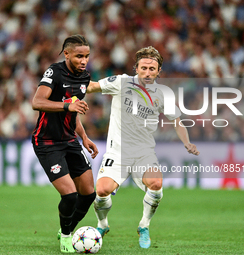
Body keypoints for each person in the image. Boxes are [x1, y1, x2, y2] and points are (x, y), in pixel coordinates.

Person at [86, 46, 200, 249]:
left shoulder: (163, 93)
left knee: (156, 184)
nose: (148, 72)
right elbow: (92, 87)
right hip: (117, 151)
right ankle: (102, 224)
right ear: (136, 68)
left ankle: (144, 225)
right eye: (144, 68)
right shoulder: (121, 82)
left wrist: (187, 142)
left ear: (159, 71)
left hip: (143, 153)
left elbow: (177, 121)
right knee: (102, 191)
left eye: (152, 69)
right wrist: (69, 86)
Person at [32, 34, 98, 253]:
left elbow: (74, 112)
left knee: (89, 194)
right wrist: (66, 106)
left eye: (87, 56)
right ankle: (67, 237)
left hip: (70, 140)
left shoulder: (85, 77)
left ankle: (67, 230)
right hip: (47, 142)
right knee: (69, 195)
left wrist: (84, 137)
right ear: (67, 53)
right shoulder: (54, 72)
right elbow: (37, 102)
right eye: (79, 56)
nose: (83, 60)